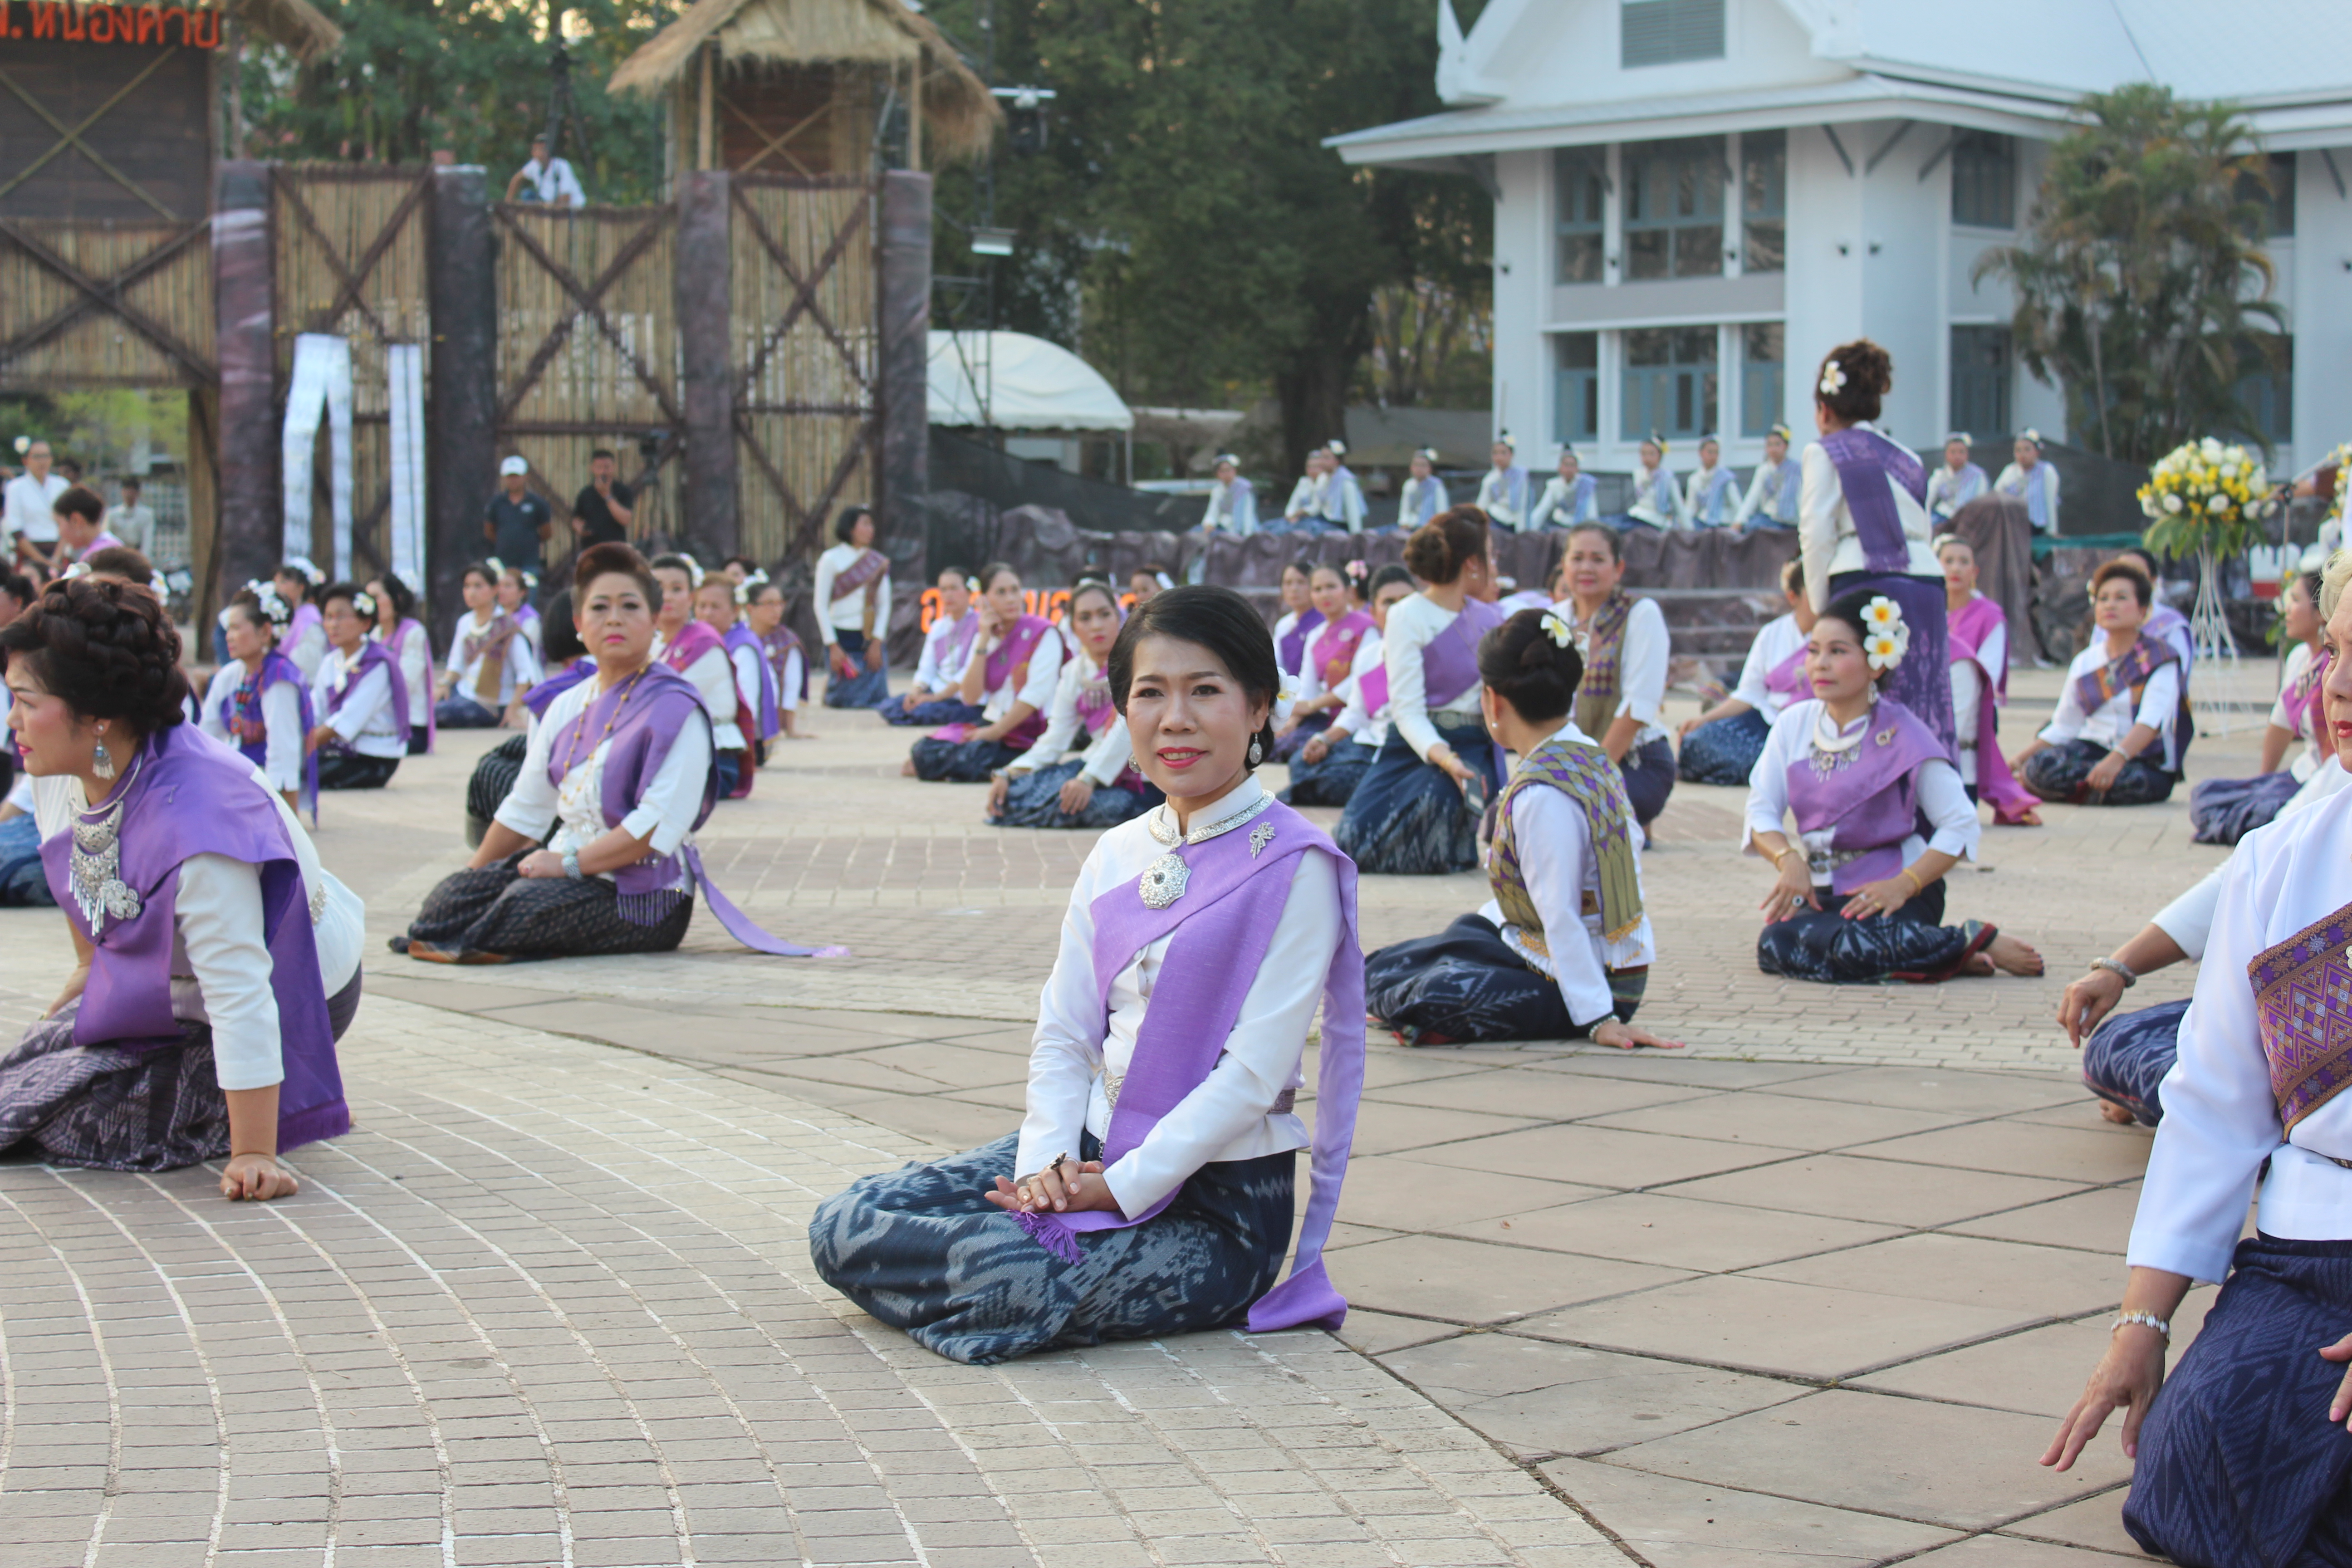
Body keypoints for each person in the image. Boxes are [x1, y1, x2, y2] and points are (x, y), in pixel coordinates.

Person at [808, 584, 1362, 1365]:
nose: (1175, 718)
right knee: (847, 1219)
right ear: (1122, 711)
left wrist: (1121, 1187)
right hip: (1084, 1149)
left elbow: (1251, 1076)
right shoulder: (1117, 850)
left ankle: (990, 1278)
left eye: (1205, 690)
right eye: (1149, 693)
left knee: (1007, 1275)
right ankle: (986, 1272)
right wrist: (1042, 1170)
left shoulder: (1297, 866)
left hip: (1214, 1209)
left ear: (1259, 706)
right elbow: (1066, 1030)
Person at [2037, 570, 2352, 1559]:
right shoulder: (2288, 854)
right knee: (2192, 1475)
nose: (2338, 684)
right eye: (2335, 651)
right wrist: (2145, 1323)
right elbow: (2218, 1109)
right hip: (2316, 1253)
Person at [0, 575, 361, 1190]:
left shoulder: (198, 820)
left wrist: (254, 1154)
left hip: (289, 992)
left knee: (91, 1119)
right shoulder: (59, 767)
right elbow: (81, 888)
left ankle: (250, 1106)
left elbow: (242, 992)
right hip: (172, 985)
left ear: (97, 717)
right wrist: (89, 978)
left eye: (27, 701)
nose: (13, 721)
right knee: (26, 1078)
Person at [400, 544, 842, 964]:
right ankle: (480, 932)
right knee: (447, 903)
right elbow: (526, 805)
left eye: (630, 607)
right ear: (578, 622)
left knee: (519, 906)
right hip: (563, 870)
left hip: (645, 895)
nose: (614, 619)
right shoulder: (566, 704)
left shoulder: (676, 708)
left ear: (654, 619)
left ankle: (490, 937)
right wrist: (473, 877)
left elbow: (654, 827)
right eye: (599, 608)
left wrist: (566, 865)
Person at [1366, 606, 1679, 1049]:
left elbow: (1561, 914)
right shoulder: (1587, 755)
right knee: (1388, 963)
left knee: (1426, 993)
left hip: (1594, 982)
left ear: (1493, 701)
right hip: (1539, 943)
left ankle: (1427, 1013)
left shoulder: (1543, 795)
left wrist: (1599, 1019)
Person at [1745, 589, 2043, 985]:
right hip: (1823, 893)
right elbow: (1761, 811)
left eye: (1838, 652)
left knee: (1856, 944)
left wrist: (1904, 885)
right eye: (1814, 651)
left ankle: (1971, 939)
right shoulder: (1793, 724)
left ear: (1876, 664)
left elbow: (1960, 824)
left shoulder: (1904, 732)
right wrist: (1789, 860)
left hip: (1895, 895)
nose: (1820, 664)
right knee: (1777, 943)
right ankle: (1945, 953)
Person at [1799, 338, 1955, 754]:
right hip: (1925, 581)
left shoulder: (1824, 451)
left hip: (1863, 578)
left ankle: (1871, 802)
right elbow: (1921, 526)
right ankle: (1931, 804)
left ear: (1824, 410)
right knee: (1924, 696)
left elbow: (1816, 532)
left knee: (1863, 704)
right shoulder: (1908, 457)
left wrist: (1820, 612)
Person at [1334, 506, 1505, 875]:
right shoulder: (1407, 615)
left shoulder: (1493, 618)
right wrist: (1445, 759)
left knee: (1435, 813)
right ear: (1473, 563)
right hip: (1417, 744)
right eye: (1491, 554)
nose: (1495, 563)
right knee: (1352, 840)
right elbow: (1407, 710)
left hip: (1472, 743)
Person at [985, 579, 1161, 830]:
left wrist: (1089, 779)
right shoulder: (1075, 672)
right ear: (1074, 626)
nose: (1096, 625)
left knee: (1069, 807)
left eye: (1104, 614)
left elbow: (1127, 730)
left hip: (1142, 777)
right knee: (1015, 793)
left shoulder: (1140, 664)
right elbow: (1056, 736)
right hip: (1094, 763)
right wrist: (1010, 772)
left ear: (1119, 617)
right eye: (1085, 618)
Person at [2014, 559, 2186, 807]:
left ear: (2142, 610)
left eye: (2121, 598)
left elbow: (2151, 722)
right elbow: (2064, 726)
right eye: (2103, 598)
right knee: (2040, 766)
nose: (2110, 605)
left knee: (2134, 781)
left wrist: (2116, 760)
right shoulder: (2086, 661)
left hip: (2139, 759)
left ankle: (2078, 789)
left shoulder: (2161, 658)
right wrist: (2017, 762)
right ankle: (2089, 789)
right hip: (2089, 750)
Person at [2189, 567, 2328, 845]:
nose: (2287, 611)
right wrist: (2263, 783)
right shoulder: (2301, 658)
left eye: (2296, 601)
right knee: (2207, 795)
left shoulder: (2336, 670)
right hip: (2298, 774)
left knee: (2253, 817)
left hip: (2324, 782)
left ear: (2322, 612)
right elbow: (2280, 725)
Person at [1556, 523, 1676, 832]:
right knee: (1500, 823)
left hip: (1633, 758)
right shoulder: (1553, 620)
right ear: (1564, 565)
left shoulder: (1641, 614)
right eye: (1577, 558)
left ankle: (1632, 819)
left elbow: (1638, 707)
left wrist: (1591, 780)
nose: (1586, 567)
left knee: (1576, 819)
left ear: (1618, 568)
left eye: (1598, 559)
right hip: (1569, 759)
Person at [906, 563, 1066, 782]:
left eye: (1015, 590)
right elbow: (970, 697)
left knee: (960, 758)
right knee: (924, 749)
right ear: (985, 600)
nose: (1011, 599)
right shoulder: (986, 636)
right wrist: (983, 640)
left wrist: (993, 733)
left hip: (1026, 733)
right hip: (990, 724)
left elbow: (1035, 696)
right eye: (1001, 592)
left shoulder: (1042, 633)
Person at [463, 590, 588, 849]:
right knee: (510, 749)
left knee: (492, 769)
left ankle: (505, 852)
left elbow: (536, 785)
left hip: (578, 829)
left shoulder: (554, 694)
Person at [1282, 564, 1412, 808]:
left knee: (1340, 781)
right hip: (1363, 740)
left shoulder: (1428, 654)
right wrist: (1324, 739)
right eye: (1389, 602)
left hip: (1398, 748)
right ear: (1374, 611)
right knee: (1300, 761)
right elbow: (1356, 712)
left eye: (1405, 601)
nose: (1397, 609)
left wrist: (1311, 707)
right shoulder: (1372, 656)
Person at [1678, 559, 1813, 786]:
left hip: (1809, 727)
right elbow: (1750, 693)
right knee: (1696, 744)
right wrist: (1703, 719)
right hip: (1767, 721)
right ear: (1793, 597)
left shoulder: (1833, 635)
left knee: (1748, 763)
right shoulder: (1773, 633)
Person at [1942, 535, 2041, 826]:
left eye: (1963, 562)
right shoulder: (1927, 613)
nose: (1955, 568)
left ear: (1975, 573)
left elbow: (1988, 673)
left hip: (1975, 709)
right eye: (1948, 561)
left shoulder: (1989, 616)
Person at [199, 583, 314, 819]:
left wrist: (284, 821)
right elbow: (205, 738)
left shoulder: (279, 678)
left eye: (236, 628)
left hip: (262, 788)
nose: (228, 637)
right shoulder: (231, 675)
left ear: (265, 632)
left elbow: (284, 754)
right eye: (227, 629)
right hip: (233, 781)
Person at [651, 555, 748, 799]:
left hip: (714, 762)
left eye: (677, 589)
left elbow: (663, 702)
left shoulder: (703, 642)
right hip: (674, 757)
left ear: (691, 598)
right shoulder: (655, 643)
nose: (667, 597)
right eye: (658, 589)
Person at [303, 583, 409, 791]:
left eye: (341, 617)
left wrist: (299, 747)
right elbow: (316, 709)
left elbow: (345, 721)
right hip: (340, 751)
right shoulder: (331, 662)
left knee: (300, 775)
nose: (333, 625)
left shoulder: (378, 664)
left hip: (374, 757)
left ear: (365, 623)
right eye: (328, 617)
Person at [1274, 563, 1372, 762]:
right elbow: (1307, 685)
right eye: (1318, 589)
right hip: (1322, 717)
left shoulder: (1366, 627)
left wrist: (1312, 705)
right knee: (1278, 745)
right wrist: (1293, 720)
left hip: (1359, 716)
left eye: (1331, 587)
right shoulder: (1316, 635)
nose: (1324, 595)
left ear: (1348, 591)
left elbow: (1361, 680)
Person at [436, 562, 540, 729]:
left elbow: (526, 676)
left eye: (478, 586)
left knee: (437, 715)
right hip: (464, 692)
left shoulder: (508, 627)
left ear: (494, 590)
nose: (471, 592)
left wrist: (512, 709)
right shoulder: (465, 622)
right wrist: (444, 685)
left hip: (491, 704)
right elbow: (456, 665)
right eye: (467, 586)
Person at [693, 572, 767, 797]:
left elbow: (748, 702)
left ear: (735, 612)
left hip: (722, 750)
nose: (707, 613)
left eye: (716, 607)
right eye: (702, 606)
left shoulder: (742, 647)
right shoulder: (696, 643)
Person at [882, 567, 984, 726]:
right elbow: (926, 668)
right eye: (943, 590)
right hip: (935, 693)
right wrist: (917, 693)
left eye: (954, 588)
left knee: (925, 711)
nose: (948, 595)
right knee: (891, 706)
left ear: (969, 592)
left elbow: (968, 672)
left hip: (962, 698)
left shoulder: (980, 625)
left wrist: (937, 698)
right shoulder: (939, 627)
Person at [814, 504, 892, 708]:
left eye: (872, 525)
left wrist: (877, 641)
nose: (871, 530)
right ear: (851, 528)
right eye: (865, 524)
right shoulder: (830, 560)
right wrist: (832, 645)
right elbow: (820, 605)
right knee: (843, 701)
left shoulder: (877, 562)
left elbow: (884, 605)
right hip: (841, 636)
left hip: (869, 636)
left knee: (876, 699)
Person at [365, 572, 434, 755]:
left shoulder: (414, 632)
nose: (370, 605)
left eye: (376, 598)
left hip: (412, 727)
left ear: (397, 598)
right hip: (382, 722)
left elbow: (406, 683)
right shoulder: (374, 635)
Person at [744, 576, 812, 742]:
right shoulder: (738, 637)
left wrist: (790, 729)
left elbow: (791, 687)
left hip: (772, 720)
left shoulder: (787, 643)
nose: (777, 610)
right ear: (751, 608)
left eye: (780, 604)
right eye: (770, 604)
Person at [2, 438, 65, 573]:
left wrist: (56, 559)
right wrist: (42, 561)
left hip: (58, 552)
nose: (42, 461)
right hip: (29, 554)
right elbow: (15, 529)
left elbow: (69, 523)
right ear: (26, 461)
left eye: (46, 456)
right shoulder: (15, 488)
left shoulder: (62, 485)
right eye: (37, 457)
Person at [482, 457, 551, 576]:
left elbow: (547, 532)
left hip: (530, 563)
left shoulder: (538, 503)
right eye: (510, 476)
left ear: (526, 476)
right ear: (504, 478)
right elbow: (489, 530)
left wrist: (529, 541)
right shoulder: (496, 503)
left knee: (530, 592)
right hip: (503, 563)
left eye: (517, 476)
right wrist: (504, 541)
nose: (513, 480)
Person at [1734, 426, 1801, 529]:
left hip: (1790, 521)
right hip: (1769, 519)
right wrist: (1739, 521)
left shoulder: (1797, 469)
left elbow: (1801, 497)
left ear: (1786, 446)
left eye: (1778, 444)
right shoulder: (1764, 470)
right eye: (1770, 445)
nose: (1773, 449)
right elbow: (1753, 496)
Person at [1994, 430, 2060, 533]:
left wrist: (2052, 531)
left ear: (2037, 452)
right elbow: (1997, 494)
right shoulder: (2010, 471)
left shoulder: (2046, 471)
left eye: (2027, 450)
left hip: (2037, 528)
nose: (2022, 454)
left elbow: (2050, 502)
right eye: (2018, 450)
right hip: (2013, 527)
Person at [274, 559, 328, 681]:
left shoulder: (309, 620)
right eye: (276, 581)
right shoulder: (282, 616)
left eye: (284, 582)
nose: (277, 587)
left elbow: (307, 666)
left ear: (300, 588)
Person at [569, 449, 634, 549]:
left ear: (614, 468)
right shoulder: (585, 494)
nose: (603, 472)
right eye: (599, 467)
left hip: (617, 549)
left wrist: (607, 496)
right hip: (591, 549)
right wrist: (579, 528)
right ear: (593, 469)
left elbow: (626, 520)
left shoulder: (623, 491)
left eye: (607, 467)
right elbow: (577, 518)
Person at [1271, 558, 1323, 681]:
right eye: (1288, 583)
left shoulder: (1324, 621)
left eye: (1301, 582)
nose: (1294, 589)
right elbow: (1277, 665)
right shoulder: (1284, 624)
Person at [51, 484, 124, 570]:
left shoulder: (98, 557)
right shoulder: (113, 546)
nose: (59, 533)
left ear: (76, 521)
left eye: (59, 524)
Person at [1529, 447, 1599, 532]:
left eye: (1572, 465)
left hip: (1580, 526)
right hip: (1560, 525)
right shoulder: (1554, 486)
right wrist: (1530, 530)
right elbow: (1543, 509)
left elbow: (1591, 513)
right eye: (1566, 465)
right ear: (1560, 468)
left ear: (1577, 469)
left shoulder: (1586, 485)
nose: (1569, 469)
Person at [505, 134, 585, 208]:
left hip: (572, 207)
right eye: (537, 149)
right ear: (533, 152)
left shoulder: (561, 166)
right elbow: (517, 178)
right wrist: (508, 202)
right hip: (546, 204)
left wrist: (554, 208)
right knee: (527, 195)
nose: (540, 152)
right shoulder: (534, 165)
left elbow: (566, 196)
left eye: (543, 148)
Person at [1926, 433, 1988, 521]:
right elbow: (1928, 500)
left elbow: (1983, 503)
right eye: (1953, 452)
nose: (1957, 456)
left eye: (1961, 452)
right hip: (1944, 517)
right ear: (1946, 454)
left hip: (1970, 519)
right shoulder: (1940, 475)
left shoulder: (1978, 476)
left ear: (1967, 454)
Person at [1681, 436, 1739, 528]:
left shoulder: (1725, 478)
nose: (1713, 456)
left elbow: (1737, 504)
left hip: (1723, 522)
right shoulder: (1694, 479)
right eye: (1710, 452)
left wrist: (1738, 523)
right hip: (1703, 521)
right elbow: (1691, 507)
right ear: (1701, 453)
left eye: (1716, 453)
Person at [1475, 438, 1529, 531]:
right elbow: (1483, 504)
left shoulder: (1520, 475)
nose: (1499, 457)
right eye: (1496, 453)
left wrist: (1522, 529)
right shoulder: (1491, 479)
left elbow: (1523, 504)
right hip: (1496, 520)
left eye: (1504, 453)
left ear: (1511, 455)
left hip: (1515, 522)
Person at [1625, 436, 1680, 529]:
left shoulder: (1667, 478)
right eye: (1644, 454)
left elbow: (1678, 506)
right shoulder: (1638, 474)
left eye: (1652, 454)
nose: (1647, 458)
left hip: (1656, 520)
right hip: (1639, 515)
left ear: (1660, 455)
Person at [1313, 441, 1367, 534]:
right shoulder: (1323, 478)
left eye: (1326, 458)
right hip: (1323, 520)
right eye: (1321, 457)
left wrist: (1356, 537)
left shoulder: (1346, 482)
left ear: (1337, 461)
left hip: (1339, 526)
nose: (1321, 461)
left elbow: (1353, 513)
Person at [1199, 455, 1257, 538]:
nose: (1226, 474)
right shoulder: (1218, 490)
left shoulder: (1244, 489)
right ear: (1218, 474)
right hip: (1222, 526)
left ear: (1234, 471)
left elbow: (1248, 514)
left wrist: (1247, 535)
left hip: (1237, 529)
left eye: (1229, 470)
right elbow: (1213, 511)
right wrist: (1209, 524)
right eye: (1223, 471)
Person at [1277, 447, 1328, 533]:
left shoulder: (1324, 481)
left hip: (1315, 520)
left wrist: (1302, 512)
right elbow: (1293, 503)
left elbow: (1317, 507)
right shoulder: (1304, 482)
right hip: (1298, 519)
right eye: (1309, 467)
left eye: (1316, 467)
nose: (1312, 471)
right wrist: (1291, 516)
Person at [496, 563, 542, 657]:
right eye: (499, 586)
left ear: (522, 592)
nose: (501, 591)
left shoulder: (530, 619)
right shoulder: (494, 615)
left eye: (508, 586)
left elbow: (525, 652)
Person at [1397, 448, 1448, 532]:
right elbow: (1405, 509)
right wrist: (1404, 523)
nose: (1419, 469)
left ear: (1429, 469)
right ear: (1412, 468)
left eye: (1423, 465)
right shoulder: (1409, 485)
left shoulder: (1437, 485)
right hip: (1412, 527)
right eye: (1417, 465)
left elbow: (1442, 511)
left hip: (1431, 528)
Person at [108, 477, 154, 558]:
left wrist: (143, 561)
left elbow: (147, 542)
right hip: (117, 555)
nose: (129, 494)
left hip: (136, 555)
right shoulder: (112, 514)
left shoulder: (146, 515)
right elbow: (106, 538)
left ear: (138, 493)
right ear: (122, 491)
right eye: (127, 490)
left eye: (132, 491)